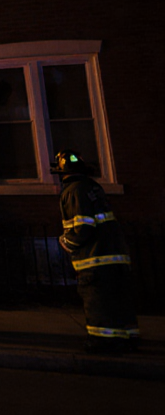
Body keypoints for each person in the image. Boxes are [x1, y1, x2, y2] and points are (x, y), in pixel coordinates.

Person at [54, 150, 140, 353]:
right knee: (119, 300)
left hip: (95, 259)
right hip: (115, 256)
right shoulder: (93, 188)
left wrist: (65, 243)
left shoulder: (73, 191)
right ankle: (126, 337)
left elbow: (83, 227)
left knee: (98, 301)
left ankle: (102, 341)